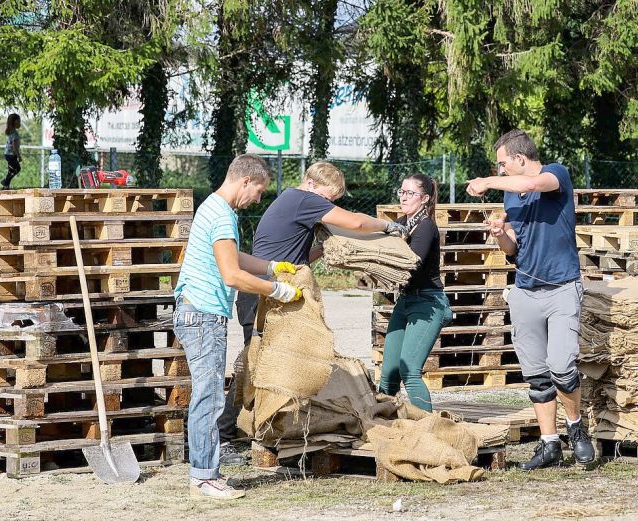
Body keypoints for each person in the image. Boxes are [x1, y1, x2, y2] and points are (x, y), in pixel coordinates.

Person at [216, 161, 407, 464]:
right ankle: (225, 435)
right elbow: (355, 223)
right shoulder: (303, 199)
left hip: (268, 290)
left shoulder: (295, 202)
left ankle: (262, 429)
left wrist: (329, 251)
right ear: (312, 184)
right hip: (266, 292)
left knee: (276, 364)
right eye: (328, 199)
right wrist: (387, 225)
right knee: (257, 367)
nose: (328, 205)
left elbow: (298, 255)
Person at [175, 154, 304, 499]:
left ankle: (204, 474)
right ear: (245, 181)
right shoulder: (220, 215)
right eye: (259, 191)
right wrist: (278, 290)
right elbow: (231, 275)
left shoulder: (218, 210)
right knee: (209, 397)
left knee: (209, 394)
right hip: (202, 315)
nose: (259, 199)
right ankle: (204, 478)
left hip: (199, 313)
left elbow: (235, 259)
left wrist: (273, 267)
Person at [466, 129, 594, 470]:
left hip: (563, 288)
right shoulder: (511, 197)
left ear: (521, 159)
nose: (502, 169)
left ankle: (576, 428)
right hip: (525, 290)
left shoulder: (556, 174)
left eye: (504, 163)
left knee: (563, 366)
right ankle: (549, 443)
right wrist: (501, 236)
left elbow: (531, 184)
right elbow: (514, 248)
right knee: (537, 374)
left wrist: (487, 181)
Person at [378, 174, 453, 411]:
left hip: (428, 303)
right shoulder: (402, 223)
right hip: (406, 300)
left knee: (409, 370)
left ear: (425, 199)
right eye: (402, 191)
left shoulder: (426, 227)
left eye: (410, 193)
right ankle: (383, 426)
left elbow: (410, 264)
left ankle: (428, 431)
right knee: (388, 374)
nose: (404, 197)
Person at [2, 114, 22, 190]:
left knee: (11, 170)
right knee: (17, 169)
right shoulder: (14, 134)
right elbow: (15, 147)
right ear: (15, 122)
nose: (20, 123)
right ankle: (5, 182)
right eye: (19, 121)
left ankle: (6, 186)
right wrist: (19, 156)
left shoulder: (11, 132)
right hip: (11, 155)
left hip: (7, 154)